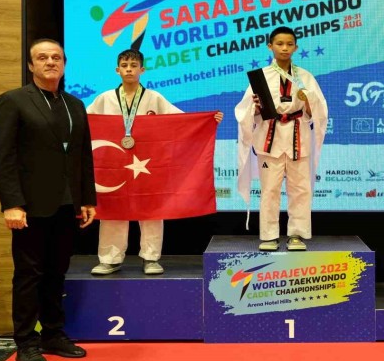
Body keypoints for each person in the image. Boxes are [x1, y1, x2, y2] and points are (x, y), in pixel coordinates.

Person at [0, 39, 96, 361]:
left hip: (67, 205)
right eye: (42, 57)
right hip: (29, 207)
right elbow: (3, 157)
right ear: (31, 65)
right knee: (29, 276)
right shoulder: (13, 101)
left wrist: (87, 198)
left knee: (56, 273)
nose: (50, 62)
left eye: (56, 57)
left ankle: (53, 334)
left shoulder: (75, 104)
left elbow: (82, 155)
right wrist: (12, 203)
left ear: (64, 64)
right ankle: (26, 342)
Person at [86, 48, 223, 275]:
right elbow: (86, 121)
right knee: (112, 208)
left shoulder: (154, 97)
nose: (129, 70)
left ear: (142, 69)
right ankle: (110, 258)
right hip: (114, 164)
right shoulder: (105, 98)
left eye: (133, 66)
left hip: (148, 164)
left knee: (151, 208)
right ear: (117, 70)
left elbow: (179, 120)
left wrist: (208, 120)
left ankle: (151, 257)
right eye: (124, 66)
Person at [235, 26, 328, 251]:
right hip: (270, 138)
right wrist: (255, 107)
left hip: (298, 137)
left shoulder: (305, 77)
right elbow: (245, 111)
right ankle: (269, 236)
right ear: (270, 46)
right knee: (269, 190)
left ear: (296, 47)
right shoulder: (261, 77)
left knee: (300, 189)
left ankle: (297, 234)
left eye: (289, 44)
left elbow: (319, 111)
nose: (284, 48)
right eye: (279, 44)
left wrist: (309, 100)